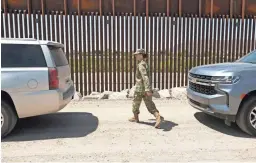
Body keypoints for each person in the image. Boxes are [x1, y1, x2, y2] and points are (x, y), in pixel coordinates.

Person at [129, 49, 164, 128]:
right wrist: (148, 88)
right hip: (145, 88)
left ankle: (136, 117)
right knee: (150, 104)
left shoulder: (141, 65)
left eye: (137, 54)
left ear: (141, 55)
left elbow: (145, 76)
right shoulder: (145, 64)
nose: (135, 56)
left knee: (135, 103)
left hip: (140, 89)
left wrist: (147, 89)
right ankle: (157, 116)